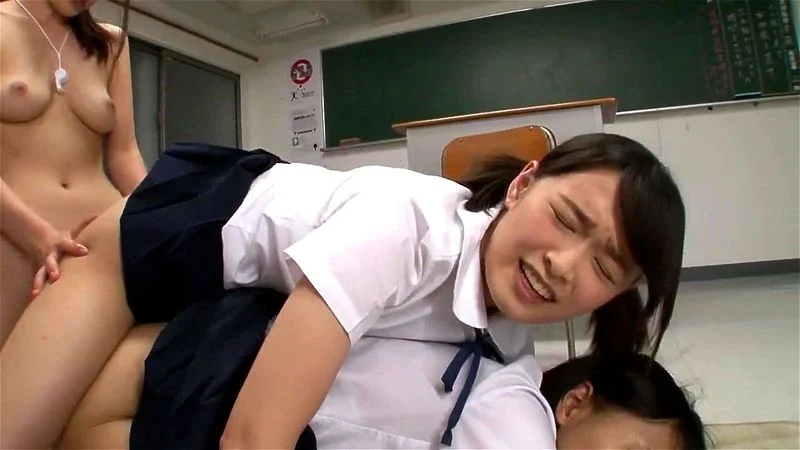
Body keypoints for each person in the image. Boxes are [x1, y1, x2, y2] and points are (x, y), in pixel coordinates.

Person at [0, 134, 686, 448]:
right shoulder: (408, 225)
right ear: (523, 184)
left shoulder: (509, 345)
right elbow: (253, 439)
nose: (564, 265)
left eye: (606, 268)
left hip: (220, 310)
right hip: (157, 246)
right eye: (566, 219)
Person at [56, 327, 707, 449]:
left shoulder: (510, 365)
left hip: (203, 380)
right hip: (196, 382)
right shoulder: (522, 427)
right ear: (577, 402)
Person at [0, 0, 146, 345]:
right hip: (15, 241)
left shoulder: (111, 43)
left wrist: (162, 221)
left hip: (104, 245)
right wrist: (39, 236)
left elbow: (124, 154)